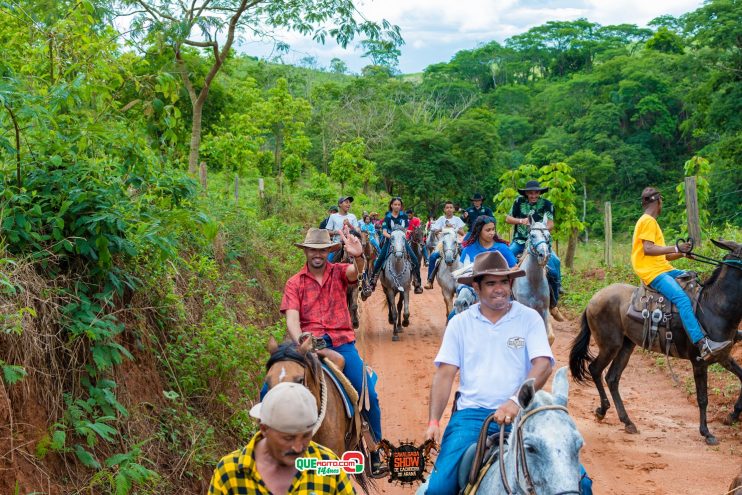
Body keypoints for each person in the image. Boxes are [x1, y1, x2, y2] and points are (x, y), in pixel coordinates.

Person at [422, 251, 555, 495]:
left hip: (525, 414)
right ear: (476, 287)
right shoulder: (460, 324)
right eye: (491, 283)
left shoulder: (529, 319)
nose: (499, 289)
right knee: (438, 490)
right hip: (473, 416)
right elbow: (444, 375)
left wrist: (516, 401)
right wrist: (433, 421)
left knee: (579, 483)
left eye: (504, 282)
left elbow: (543, 363)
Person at [280, 228, 387, 476]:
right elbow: (292, 320)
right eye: (312, 250)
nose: (317, 254)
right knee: (272, 386)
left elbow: (356, 271)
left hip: (340, 342)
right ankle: (266, 447)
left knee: (367, 391)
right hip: (307, 344)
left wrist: (359, 256)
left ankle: (374, 452)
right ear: (306, 251)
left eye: (322, 250)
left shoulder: (339, 272)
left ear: (329, 252)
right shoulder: (294, 283)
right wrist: (301, 340)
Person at [631, 187, 732, 360]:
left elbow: (665, 255)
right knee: (682, 299)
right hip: (652, 272)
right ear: (658, 202)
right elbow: (648, 249)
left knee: (693, 280)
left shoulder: (650, 222)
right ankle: (703, 344)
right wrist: (676, 247)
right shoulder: (647, 221)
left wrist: (682, 253)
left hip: (663, 268)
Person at [208, 382, 356, 494]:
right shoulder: (229, 472)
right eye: (288, 438)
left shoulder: (329, 464)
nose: (298, 447)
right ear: (264, 428)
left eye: (306, 435)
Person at [505, 180, 565, 322]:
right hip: (520, 241)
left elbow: (550, 224)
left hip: (540, 242)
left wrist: (539, 228)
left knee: (555, 262)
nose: (533, 195)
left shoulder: (547, 204)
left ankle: (553, 303)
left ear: (540, 193)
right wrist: (521, 221)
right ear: (526, 193)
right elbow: (508, 218)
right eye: (530, 193)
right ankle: (505, 297)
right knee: (505, 260)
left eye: (536, 192)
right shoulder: (518, 202)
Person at [368, 197, 423, 294]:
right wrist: (393, 237)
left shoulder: (404, 216)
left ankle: (417, 282)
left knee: (414, 259)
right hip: (390, 241)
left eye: (399, 205)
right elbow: (384, 232)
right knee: (380, 259)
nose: (397, 206)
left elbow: (405, 229)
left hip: (402, 241)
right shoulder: (388, 217)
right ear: (391, 205)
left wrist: (404, 234)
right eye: (395, 204)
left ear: (401, 206)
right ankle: (373, 281)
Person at [424, 201, 467, 290]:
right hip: (442, 243)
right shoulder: (441, 219)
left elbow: (462, 233)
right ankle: (430, 280)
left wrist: (453, 227)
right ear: (444, 209)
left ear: (454, 209)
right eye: (447, 207)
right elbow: (435, 231)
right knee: (433, 257)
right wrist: (443, 228)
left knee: (464, 254)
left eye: (451, 207)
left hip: (455, 243)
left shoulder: (457, 219)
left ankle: (467, 277)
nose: (449, 209)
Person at [326, 196, 360, 262]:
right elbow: (327, 231)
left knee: (361, 262)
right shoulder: (333, 216)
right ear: (340, 204)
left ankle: (364, 272)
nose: (349, 204)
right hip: (337, 244)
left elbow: (358, 231)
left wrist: (349, 225)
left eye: (349, 203)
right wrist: (339, 232)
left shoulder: (352, 216)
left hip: (351, 244)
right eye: (346, 202)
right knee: (328, 261)